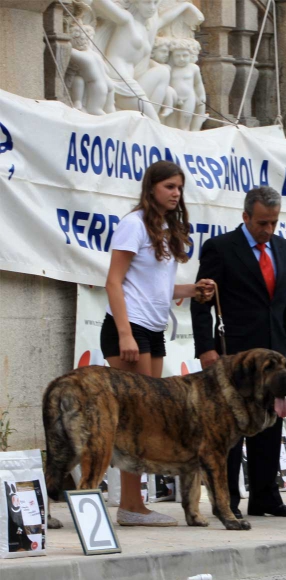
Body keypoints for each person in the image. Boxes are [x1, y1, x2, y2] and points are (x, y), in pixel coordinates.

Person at [100, 160, 214, 526]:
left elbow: (160, 289)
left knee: (147, 419)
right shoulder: (133, 224)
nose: (176, 193)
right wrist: (124, 334)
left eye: (179, 187)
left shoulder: (165, 227)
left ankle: (136, 503)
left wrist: (192, 290)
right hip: (129, 328)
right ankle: (131, 506)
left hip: (152, 328)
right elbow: (114, 282)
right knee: (133, 420)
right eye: (169, 187)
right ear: (151, 188)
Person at [191, 186, 286, 518]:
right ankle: (226, 500)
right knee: (230, 427)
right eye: (261, 223)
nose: (268, 230)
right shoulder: (221, 248)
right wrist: (206, 349)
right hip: (235, 358)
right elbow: (202, 303)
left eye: (273, 223)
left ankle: (266, 496)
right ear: (245, 217)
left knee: (270, 421)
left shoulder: (284, 249)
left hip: (274, 356)